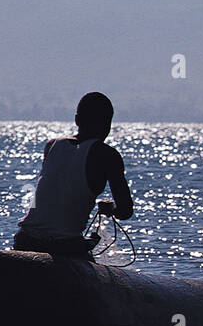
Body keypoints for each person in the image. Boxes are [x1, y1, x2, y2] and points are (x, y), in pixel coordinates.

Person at [14, 92, 133, 258]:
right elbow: (125, 211)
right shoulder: (107, 155)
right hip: (64, 246)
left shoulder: (52, 145)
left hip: (24, 240)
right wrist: (110, 207)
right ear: (108, 125)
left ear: (77, 120)